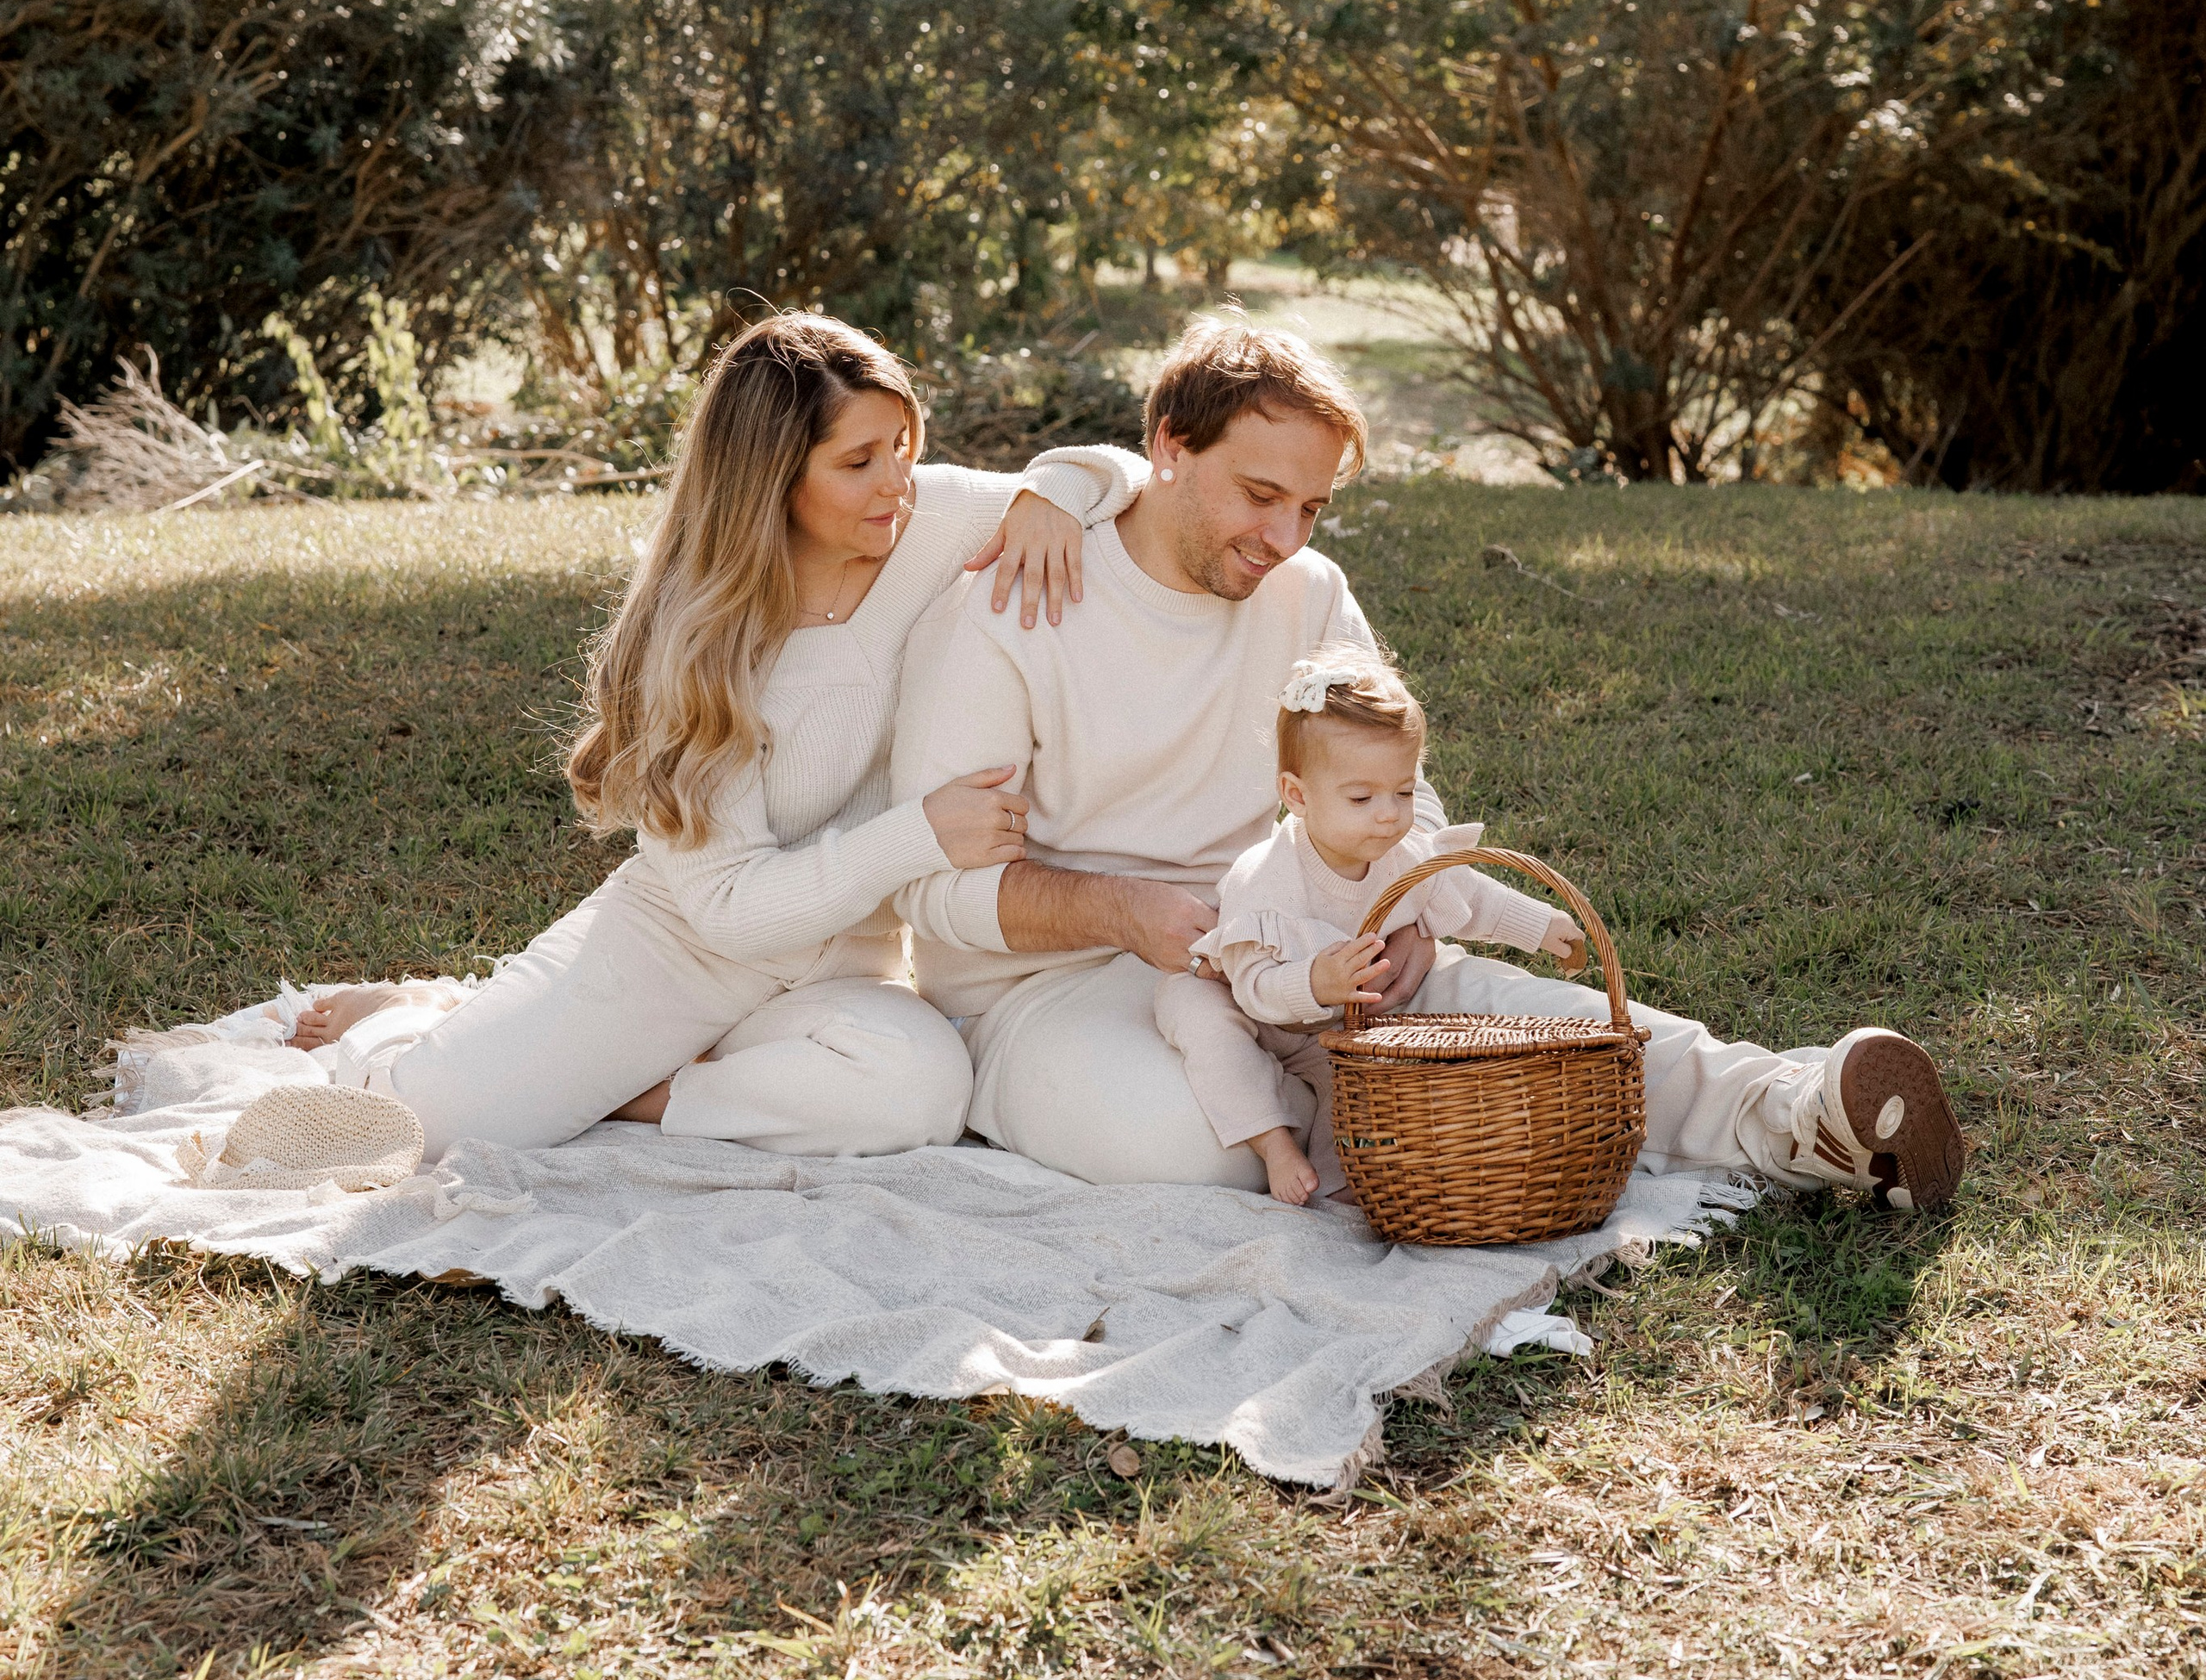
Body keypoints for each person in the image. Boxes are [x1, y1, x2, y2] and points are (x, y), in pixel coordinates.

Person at [889, 313, 1969, 1215]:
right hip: (1056, 991)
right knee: (1195, 1144)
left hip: (1311, 940)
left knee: (1520, 1019)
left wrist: (1403, 915)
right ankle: (1456, 1140)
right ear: (1168, 447)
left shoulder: (1308, 590)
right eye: (1259, 495)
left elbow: (1394, 783)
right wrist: (1123, 913)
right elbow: (934, 893)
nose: (1282, 537)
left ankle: (1805, 1118)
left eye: (1310, 507)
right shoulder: (1013, 603)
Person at [296, 311, 1144, 1162]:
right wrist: (923, 833)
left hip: (848, 962)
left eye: (902, 446)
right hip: (683, 947)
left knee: (920, 1093)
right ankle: (409, 1017)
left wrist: (1051, 495)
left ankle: (653, 1093)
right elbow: (733, 911)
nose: (897, 483)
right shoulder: (696, 645)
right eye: (857, 462)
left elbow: (1132, 480)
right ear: (771, 478)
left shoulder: (930, 521)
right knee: (418, 1129)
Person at [1156, 647, 1585, 1204]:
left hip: (1337, 1029)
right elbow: (1254, 985)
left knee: (1366, 1081)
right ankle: (1272, 1141)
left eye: (1403, 792)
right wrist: (1314, 983)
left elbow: (1472, 896)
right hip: (1250, 1007)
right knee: (1197, 1017)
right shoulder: (1265, 878)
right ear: (1297, 796)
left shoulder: (1400, 855)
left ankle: (1344, 1187)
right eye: (1362, 797)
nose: (1389, 813)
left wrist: (1546, 927)